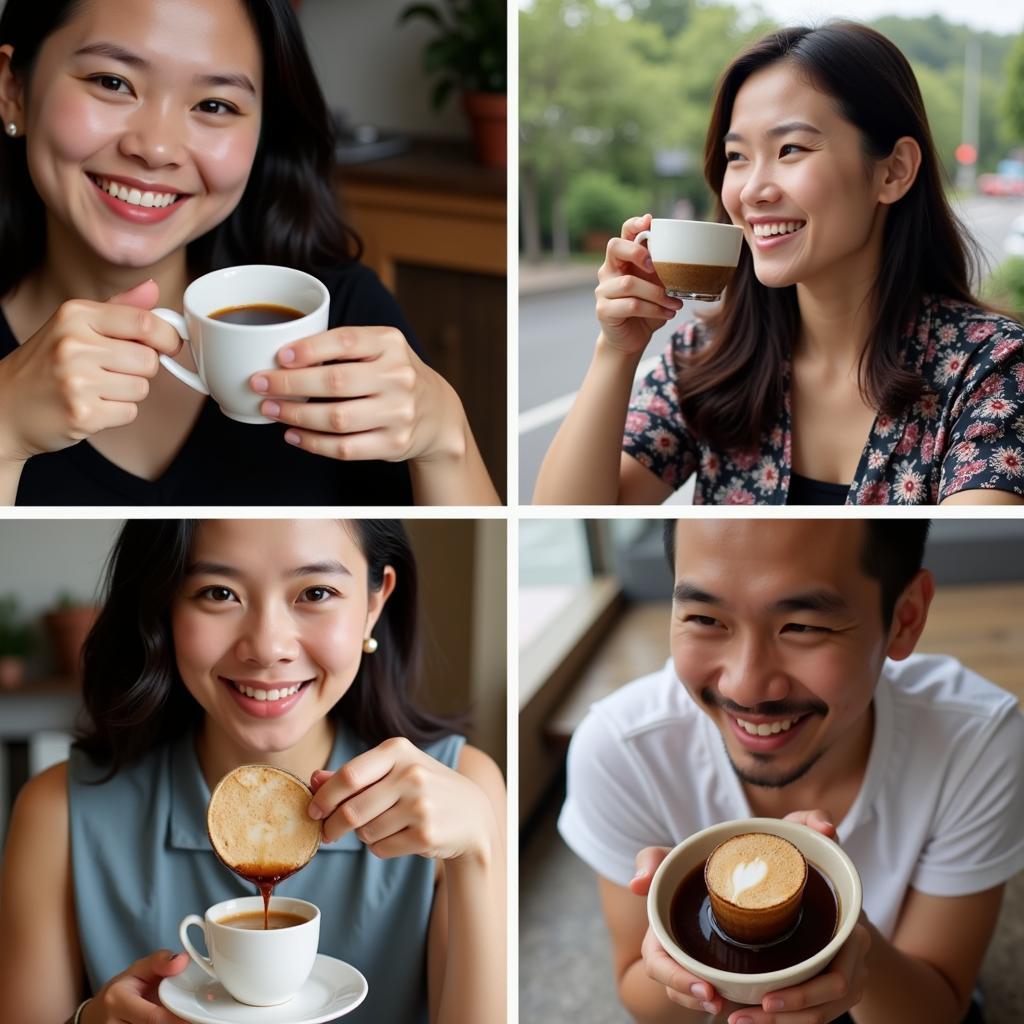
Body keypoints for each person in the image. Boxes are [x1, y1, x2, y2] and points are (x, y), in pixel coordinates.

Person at [0, 519, 506, 1024]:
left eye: (316, 592)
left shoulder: (462, 789)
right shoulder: (59, 812)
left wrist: (478, 854)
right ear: (164, 604)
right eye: (219, 593)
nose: (267, 647)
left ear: (373, 604)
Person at [0, 0, 499, 505]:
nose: (155, 148)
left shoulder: (347, 319)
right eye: (112, 82)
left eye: (214, 105)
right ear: (12, 89)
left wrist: (445, 439)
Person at [534, 22, 1024, 506]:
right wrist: (615, 352)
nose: (751, 191)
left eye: (790, 149)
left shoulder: (991, 370)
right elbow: (568, 511)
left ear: (893, 171)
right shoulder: (711, 356)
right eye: (737, 156)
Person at [559, 519, 1024, 1023]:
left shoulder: (976, 743)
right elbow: (641, 996)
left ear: (905, 617)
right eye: (704, 618)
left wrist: (851, 938)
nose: (748, 686)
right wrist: (683, 949)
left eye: (803, 626)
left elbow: (937, 1008)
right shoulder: (622, 750)